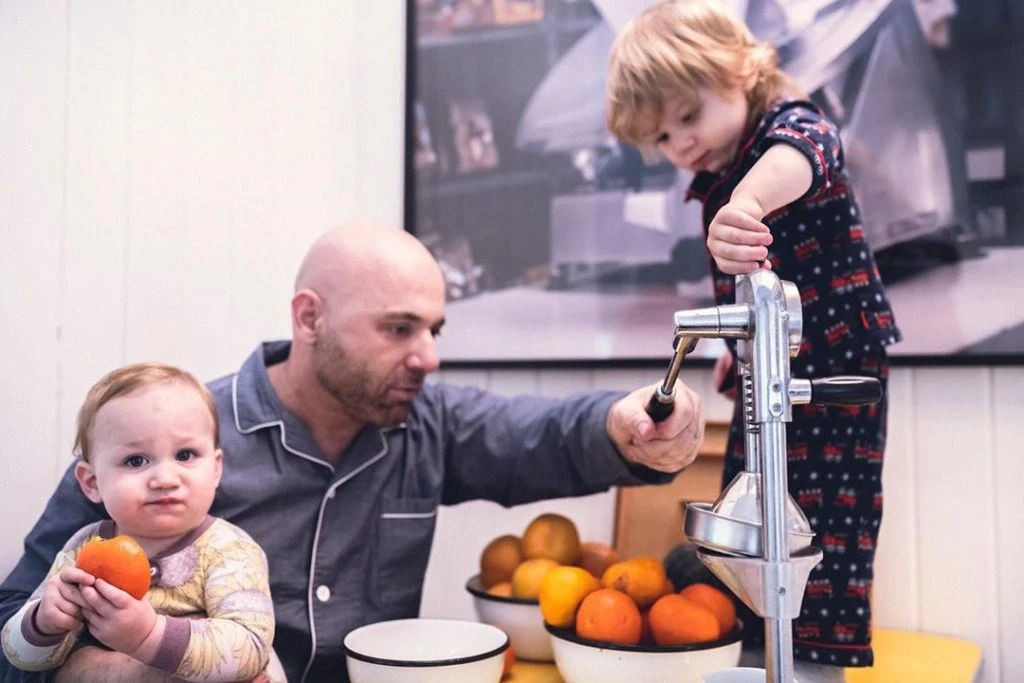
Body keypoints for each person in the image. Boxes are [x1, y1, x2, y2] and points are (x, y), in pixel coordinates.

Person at [0, 224, 706, 683]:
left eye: (433, 327)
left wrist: (624, 425)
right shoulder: (168, 453)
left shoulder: (428, 421)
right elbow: (14, 617)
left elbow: (542, 434)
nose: (428, 356)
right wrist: (108, 665)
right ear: (310, 318)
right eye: (399, 328)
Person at [606, 0, 902, 679]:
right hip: (764, 370)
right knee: (753, 507)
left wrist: (746, 204)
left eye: (688, 115)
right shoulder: (717, 172)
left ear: (741, 70)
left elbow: (807, 154)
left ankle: (816, 660)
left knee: (824, 520)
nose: (679, 143)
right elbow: (753, 289)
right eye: (660, 136)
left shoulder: (788, 127)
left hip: (833, 367)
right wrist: (735, 352)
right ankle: (752, 638)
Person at [1, 363, 285, 683]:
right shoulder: (84, 548)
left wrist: (148, 635)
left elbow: (251, 646)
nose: (164, 479)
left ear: (216, 468)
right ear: (92, 482)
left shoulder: (229, 550)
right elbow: (17, 655)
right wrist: (43, 623)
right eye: (136, 460)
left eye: (186, 455)